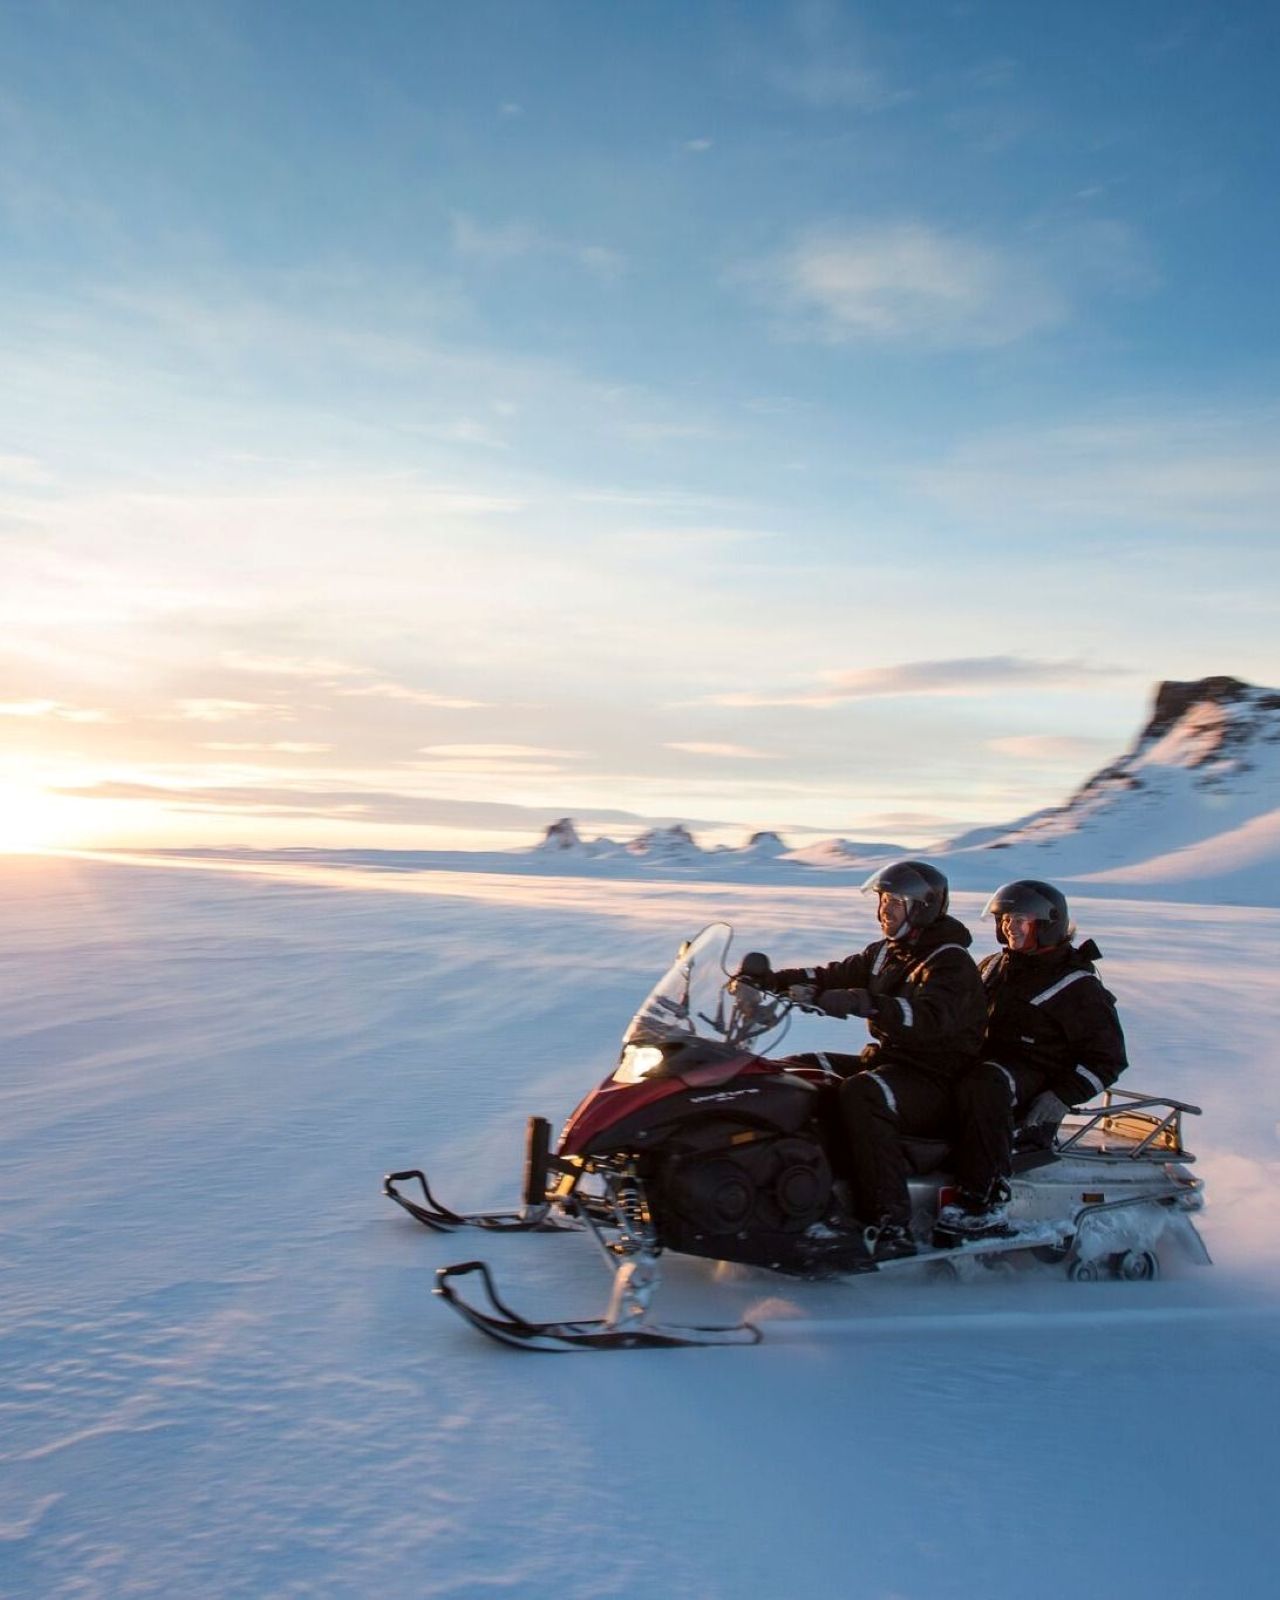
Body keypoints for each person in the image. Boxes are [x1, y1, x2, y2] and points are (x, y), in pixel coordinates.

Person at [745, 860, 987, 1260]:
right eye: (882, 900)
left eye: (894, 902)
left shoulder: (950, 962)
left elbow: (929, 1019)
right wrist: (773, 981)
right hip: (890, 1062)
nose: (884, 911)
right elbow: (830, 974)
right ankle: (803, 1188)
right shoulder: (886, 953)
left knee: (863, 1092)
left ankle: (890, 1223)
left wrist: (865, 1003)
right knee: (800, 1069)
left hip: (938, 1078)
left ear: (923, 907)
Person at [937, 879, 1128, 1241]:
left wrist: (1060, 1096)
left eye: (1020, 919)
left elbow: (1108, 1057)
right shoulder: (994, 966)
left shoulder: (1077, 986)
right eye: (1005, 919)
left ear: (1047, 924)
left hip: (1032, 1081)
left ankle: (985, 1201)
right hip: (984, 1069)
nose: (1009, 926)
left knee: (986, 1082)